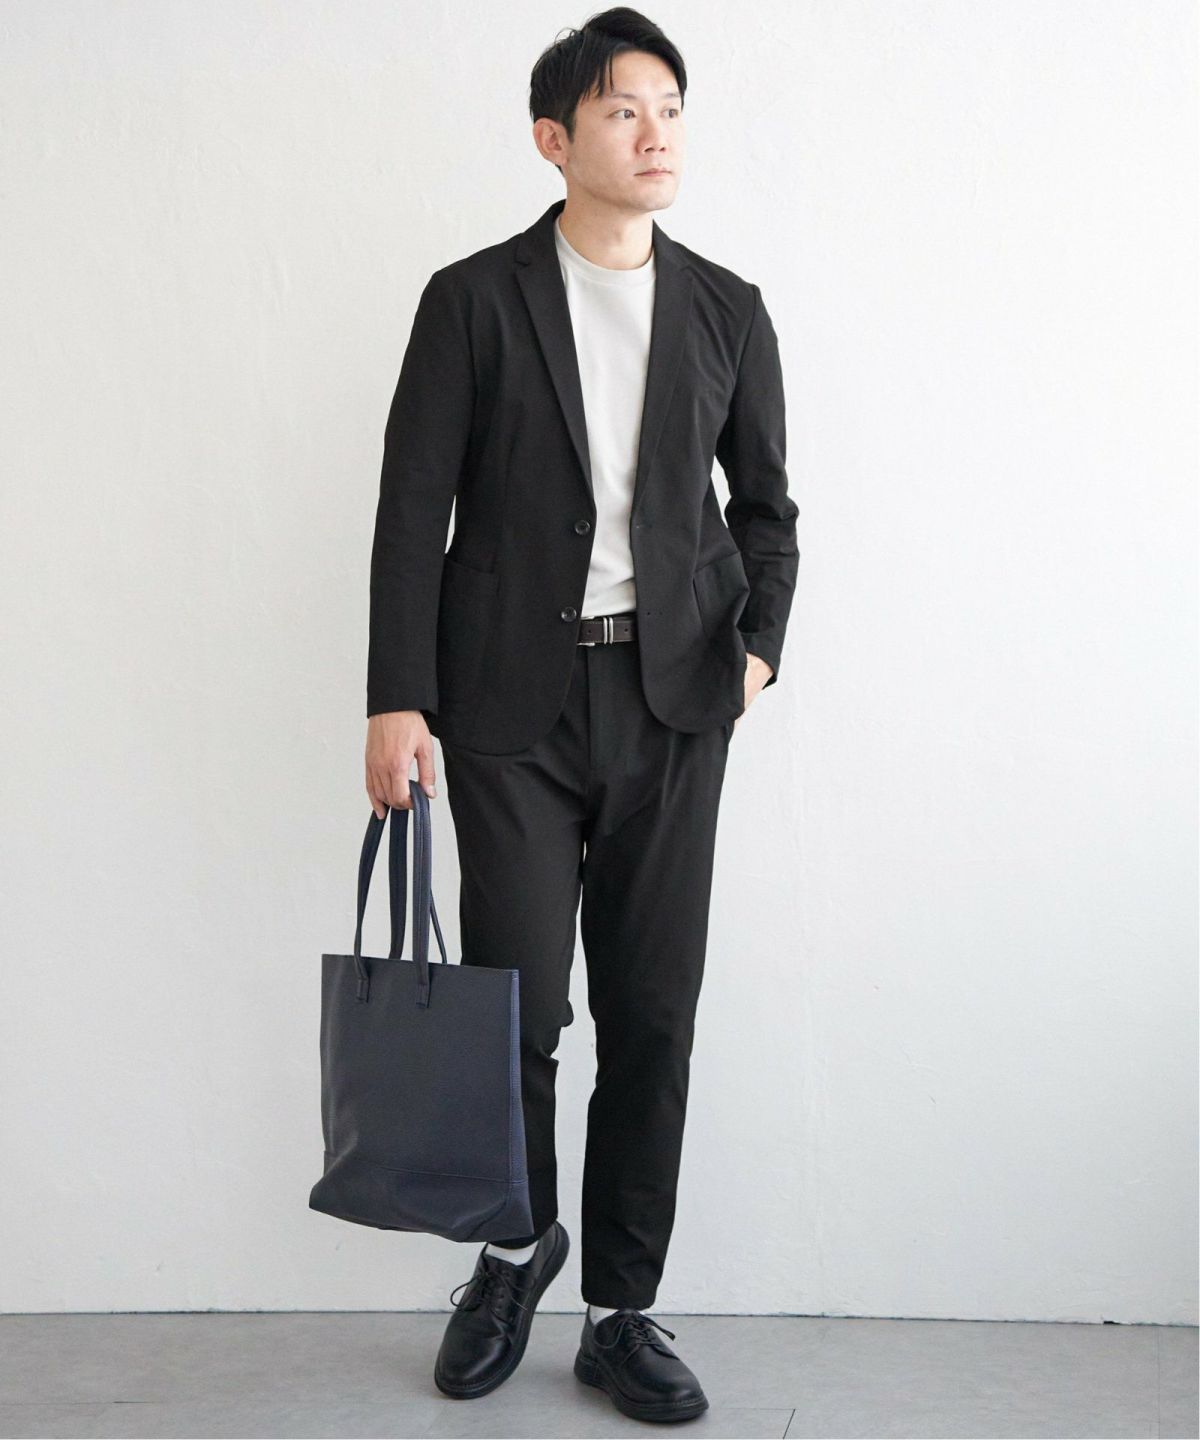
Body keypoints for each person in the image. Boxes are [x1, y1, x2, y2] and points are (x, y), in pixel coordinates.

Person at [363, 6, 798, 1424]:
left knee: (653, 1013)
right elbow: (411, 511)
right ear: (555, 139)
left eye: (670, 107)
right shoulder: (473, 300)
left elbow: (768, 510)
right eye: (624, 109)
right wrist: (396, 698)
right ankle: (510, 1255)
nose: (656, 133)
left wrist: (758, 655)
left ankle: (621, 1309)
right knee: (517, 1009)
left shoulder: (727, 308)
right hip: (509, 710)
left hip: (675, 704)